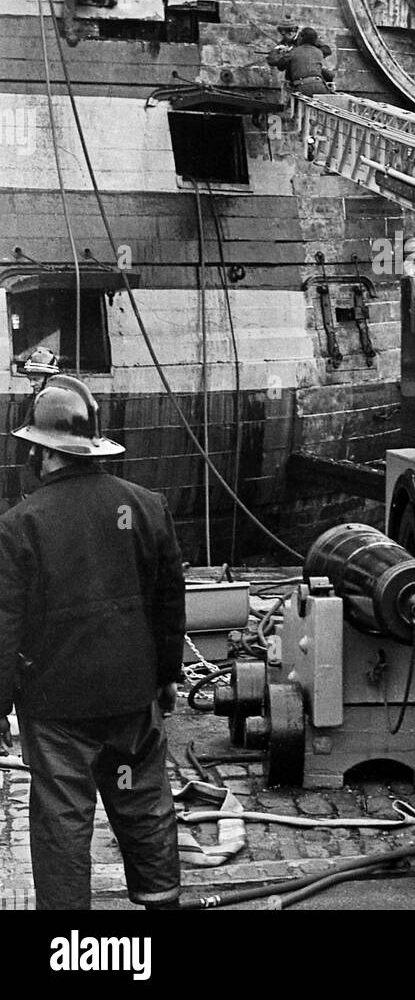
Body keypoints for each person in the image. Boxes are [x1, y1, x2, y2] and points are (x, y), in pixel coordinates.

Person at [0, 376, 186, 911]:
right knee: (144, 801)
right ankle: (161, 900)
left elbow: (5, 624)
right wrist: (167, 674)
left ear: (41, 452)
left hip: (57, 708)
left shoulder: (19, 527)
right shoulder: (146, 506)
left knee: (63, 818)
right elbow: (169, 599)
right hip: (131, 697)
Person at [277, 26, 336, 93]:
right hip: (318, 83)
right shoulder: (318, 52)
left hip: (303, 84)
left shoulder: (294, 51)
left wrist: (305, 55)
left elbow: (280, 65)